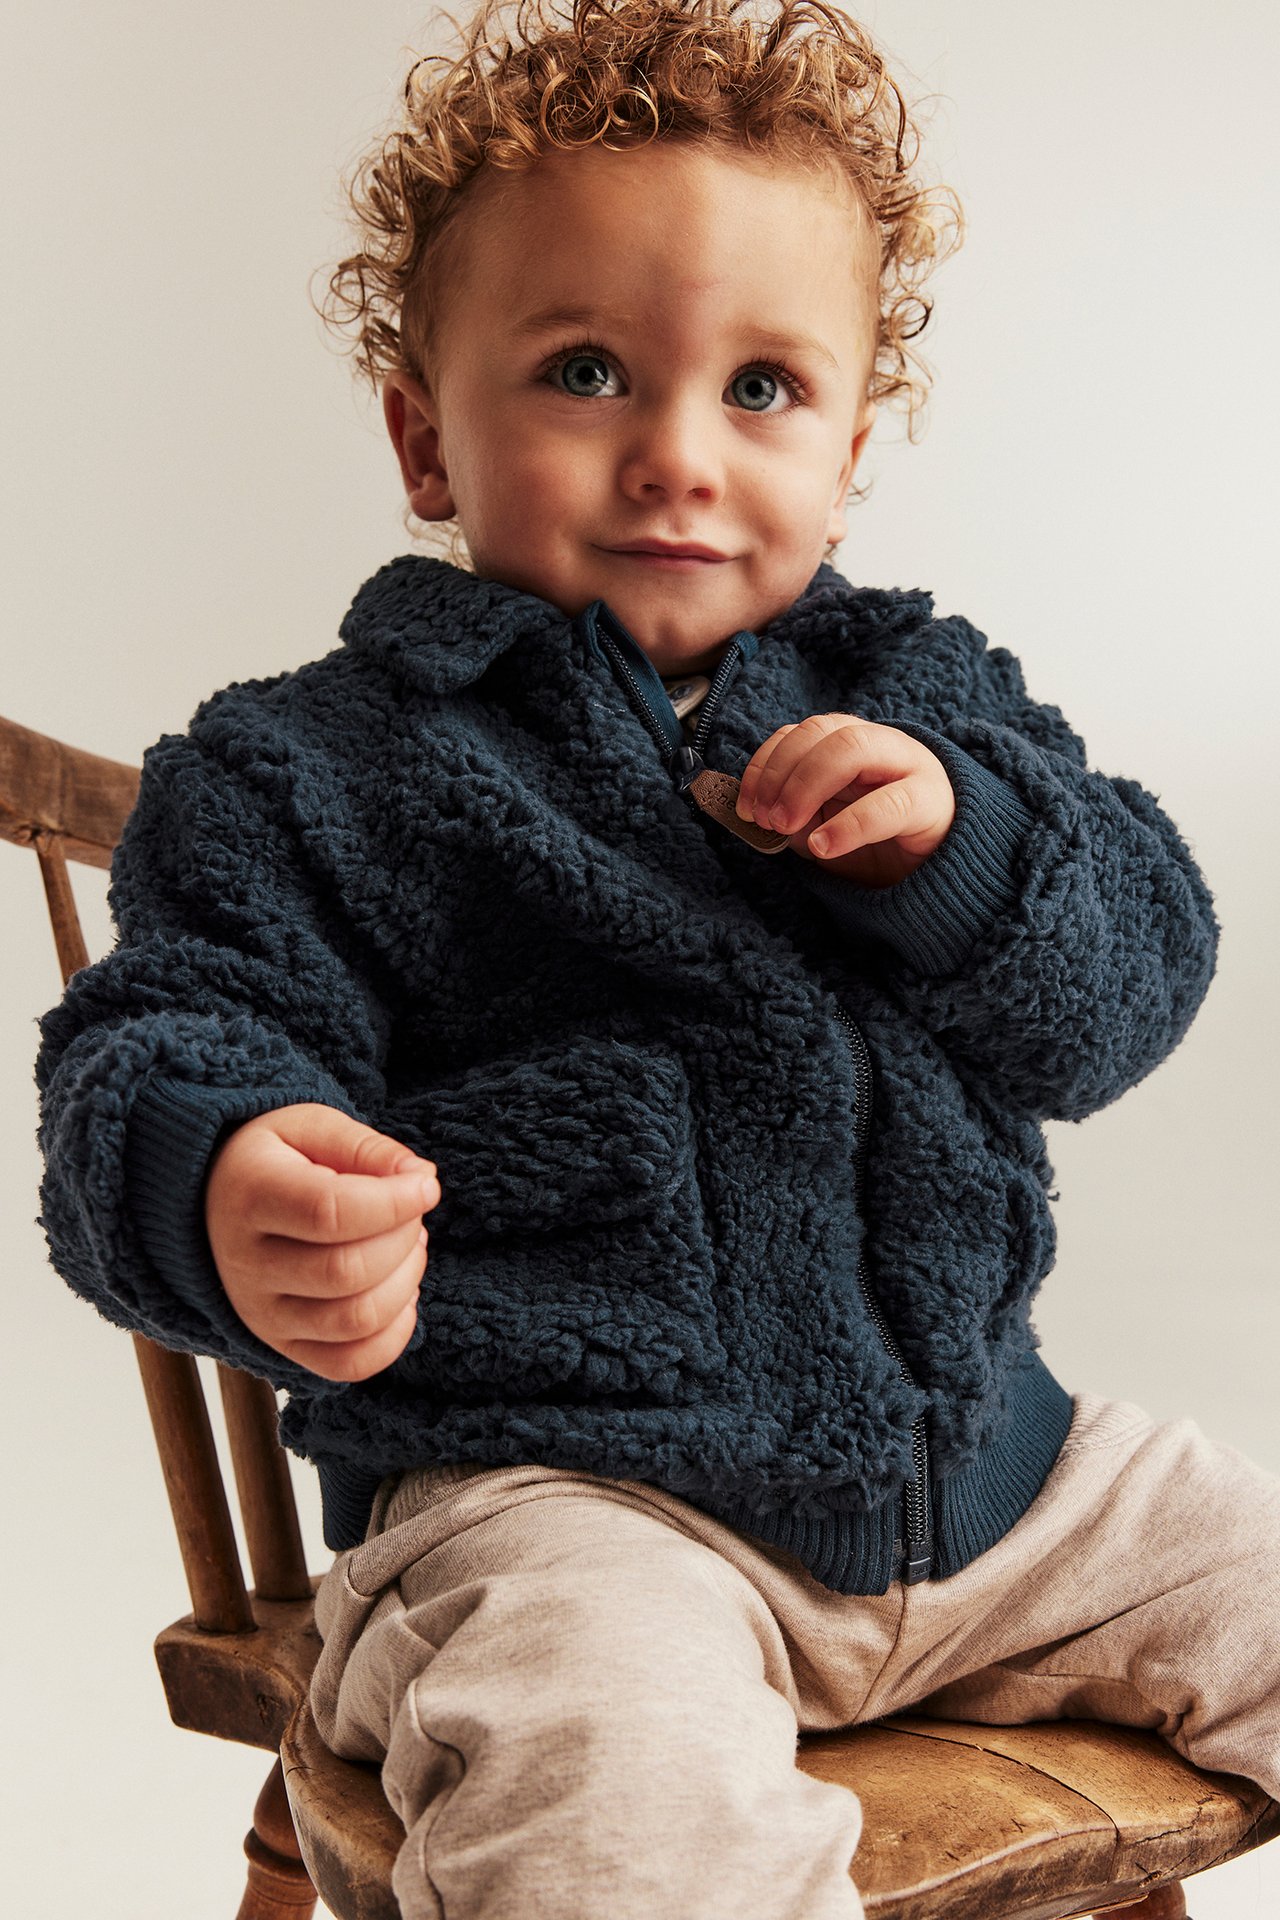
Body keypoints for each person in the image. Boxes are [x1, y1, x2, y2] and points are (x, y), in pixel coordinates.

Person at [34, 1, 1279, 1915]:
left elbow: (1130, 984)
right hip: (558, 1513)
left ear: (854, 448)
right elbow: (165, 1031)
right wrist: (227, 1178)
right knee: (607, 1803)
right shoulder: (306, 770)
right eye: (589, 369)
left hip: (1004, 1488)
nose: (678, 458)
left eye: (763, 388)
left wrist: (965, 853)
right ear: (422, 436)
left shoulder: (927, 702)